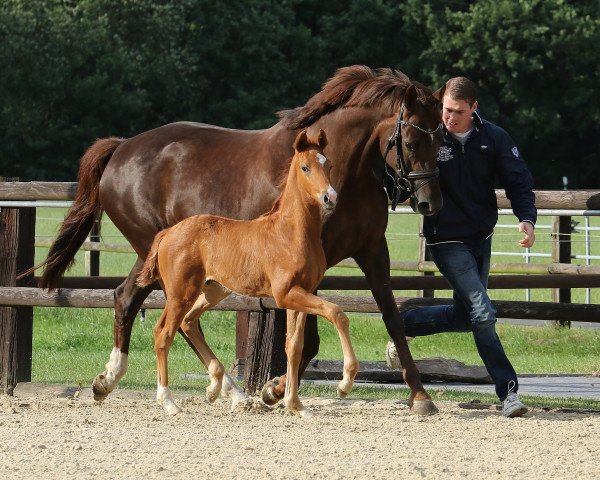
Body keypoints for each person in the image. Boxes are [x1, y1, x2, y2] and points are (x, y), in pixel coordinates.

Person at [401, 76, 536, 417]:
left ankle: (402, 326)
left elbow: (518, 180)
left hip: (481, 238)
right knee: (483, 312)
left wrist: (527, 219)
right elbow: (407, 168)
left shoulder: (494, 138)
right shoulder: (432, 133)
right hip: (446, 238)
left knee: (467, 316)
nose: (450, 118)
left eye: (458, 112)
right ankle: (509, 392)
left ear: (474, 108)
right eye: (446, 109)